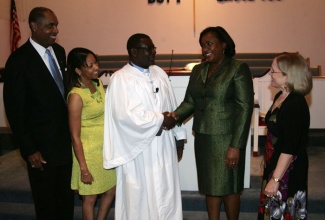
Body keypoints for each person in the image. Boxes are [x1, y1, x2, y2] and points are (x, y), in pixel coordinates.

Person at [170, 26, 254, 220]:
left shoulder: (237, 68)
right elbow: (190, 102)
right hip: (203, 138)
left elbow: (244, 108)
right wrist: (174, 116)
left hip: (227, 140)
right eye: (202, 45)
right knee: (210, 187)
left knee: (230, 188)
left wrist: (236, 146)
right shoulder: (199, 70)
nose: (205, 48)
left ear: (223, 45)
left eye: (209, 43)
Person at [102, 33, 186, 220]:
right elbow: (123, 115)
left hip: (164, 145)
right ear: (133, 51)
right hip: (138, 151)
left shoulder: (160, 73)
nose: (153, 52)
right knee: (139, 197)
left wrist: (179, 138)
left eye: (154, 47)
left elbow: (172, 106)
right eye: (148, 48)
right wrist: (159, 119)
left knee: (166, 191)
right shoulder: (120, 78)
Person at [3, 7, 74, 219]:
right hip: (40, 150)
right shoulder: (18, 61)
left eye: (56, 25)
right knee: (46, 203)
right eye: (50, 26)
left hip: (65, 143)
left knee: (65, 200)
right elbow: (15, 110)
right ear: (34, 27)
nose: (55, 30)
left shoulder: (60, 52)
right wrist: (29, 148)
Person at [257, 52, 312, 220]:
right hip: (275, 163)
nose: (270, 74)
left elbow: (289, 148)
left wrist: (275, 179)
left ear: (289, 76)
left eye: (273, 71)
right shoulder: (281, 95)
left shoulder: (295, 105)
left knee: (283, 213)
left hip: (288, 170)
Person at [67, 48, 116, 220]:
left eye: (96, 62)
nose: (96, 67)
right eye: (90, 65)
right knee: (90, 197)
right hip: (88, 153)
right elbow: (74, 136)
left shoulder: (97, 84)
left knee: (111, 190)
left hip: (105, 148)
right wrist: (83, 168)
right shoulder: (76, 96)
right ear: (78, 70)